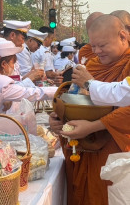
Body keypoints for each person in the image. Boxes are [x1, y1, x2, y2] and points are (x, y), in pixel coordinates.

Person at [52, 15, 130, 205]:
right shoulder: (92, 65)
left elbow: (124, 101)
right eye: (93, 46)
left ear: (122, 36)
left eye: (102, 45)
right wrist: (60, 116)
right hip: (84, 149)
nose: (96, 51)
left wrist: (94, 126)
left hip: (115, 152)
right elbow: (72, 95)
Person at [0, 40, 57, 114]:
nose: (14, 66)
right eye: (13, 63)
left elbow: (16, 84)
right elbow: (32, 93)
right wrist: (60, 90)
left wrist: (29, 77)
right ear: (4, 64)